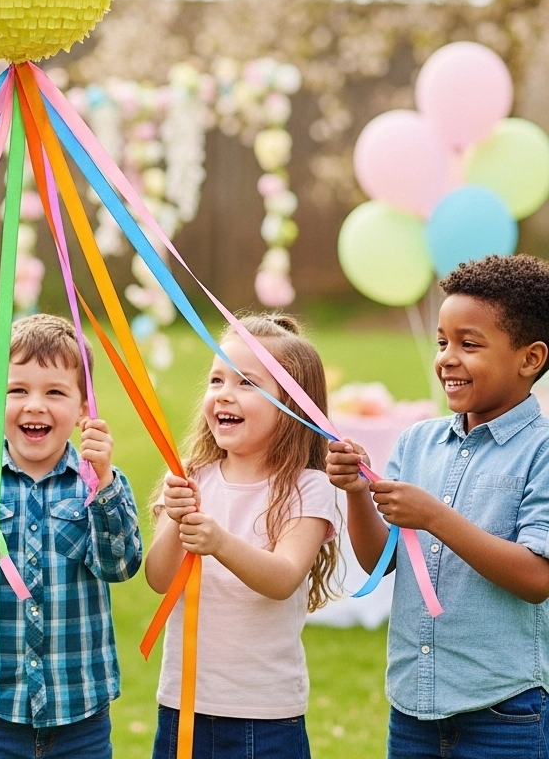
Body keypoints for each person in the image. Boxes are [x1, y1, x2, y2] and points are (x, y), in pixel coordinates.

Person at [327, 253, 549, 758]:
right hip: (413, 709)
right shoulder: (416, 442)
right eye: (443, 342)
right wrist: (357, 492)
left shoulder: (542, 450)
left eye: (469, 344)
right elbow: (377, 561)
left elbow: (538, 579)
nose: (448, 357)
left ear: (530, 359)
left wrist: (435, 518)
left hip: (505, 711)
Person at [0, 313, 142, 759]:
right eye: (16, 391)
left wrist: (105, 481)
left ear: (83, 408)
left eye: (54, 392)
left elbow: (121, 566)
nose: (34, 405)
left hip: (80, 717)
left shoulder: (98, 484)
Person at [146, 314, 339, 759]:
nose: (223, 394)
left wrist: (218, 543)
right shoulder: (191, 476)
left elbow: (283, 577)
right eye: (217, 380)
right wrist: (176, 520)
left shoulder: (308, 488)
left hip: (264, 717)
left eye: (246, 383)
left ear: (293, 404)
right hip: (184, 706)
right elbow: (160, 579)